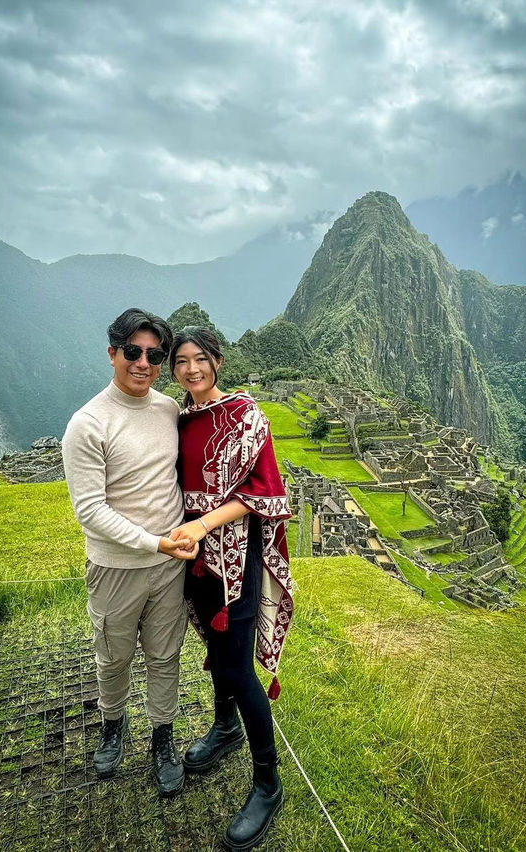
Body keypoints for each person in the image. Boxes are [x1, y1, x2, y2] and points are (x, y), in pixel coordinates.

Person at [61, 308, 197, 797]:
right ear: (113, 353)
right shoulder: (88, 423)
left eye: (155, 355)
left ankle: (162, 738)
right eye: (134, 352)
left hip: (168, 566)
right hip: (117, 567)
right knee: (113, 658)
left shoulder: (167, 410)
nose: (144, 363)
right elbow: (91, 511)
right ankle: (112, 726)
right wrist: (155, 541)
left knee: (165, 657)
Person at [168, 326, 294, 851]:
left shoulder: (246, 417)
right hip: (194, 559)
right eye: (181, 361)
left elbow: (262, 491)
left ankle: (268, 783)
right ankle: (225, 730)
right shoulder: (180, 420)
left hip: (234, 557)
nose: (192, 369)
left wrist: (202, 525)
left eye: (201, 359)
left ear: (218, 361)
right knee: (217, 654)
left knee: (238, 668)